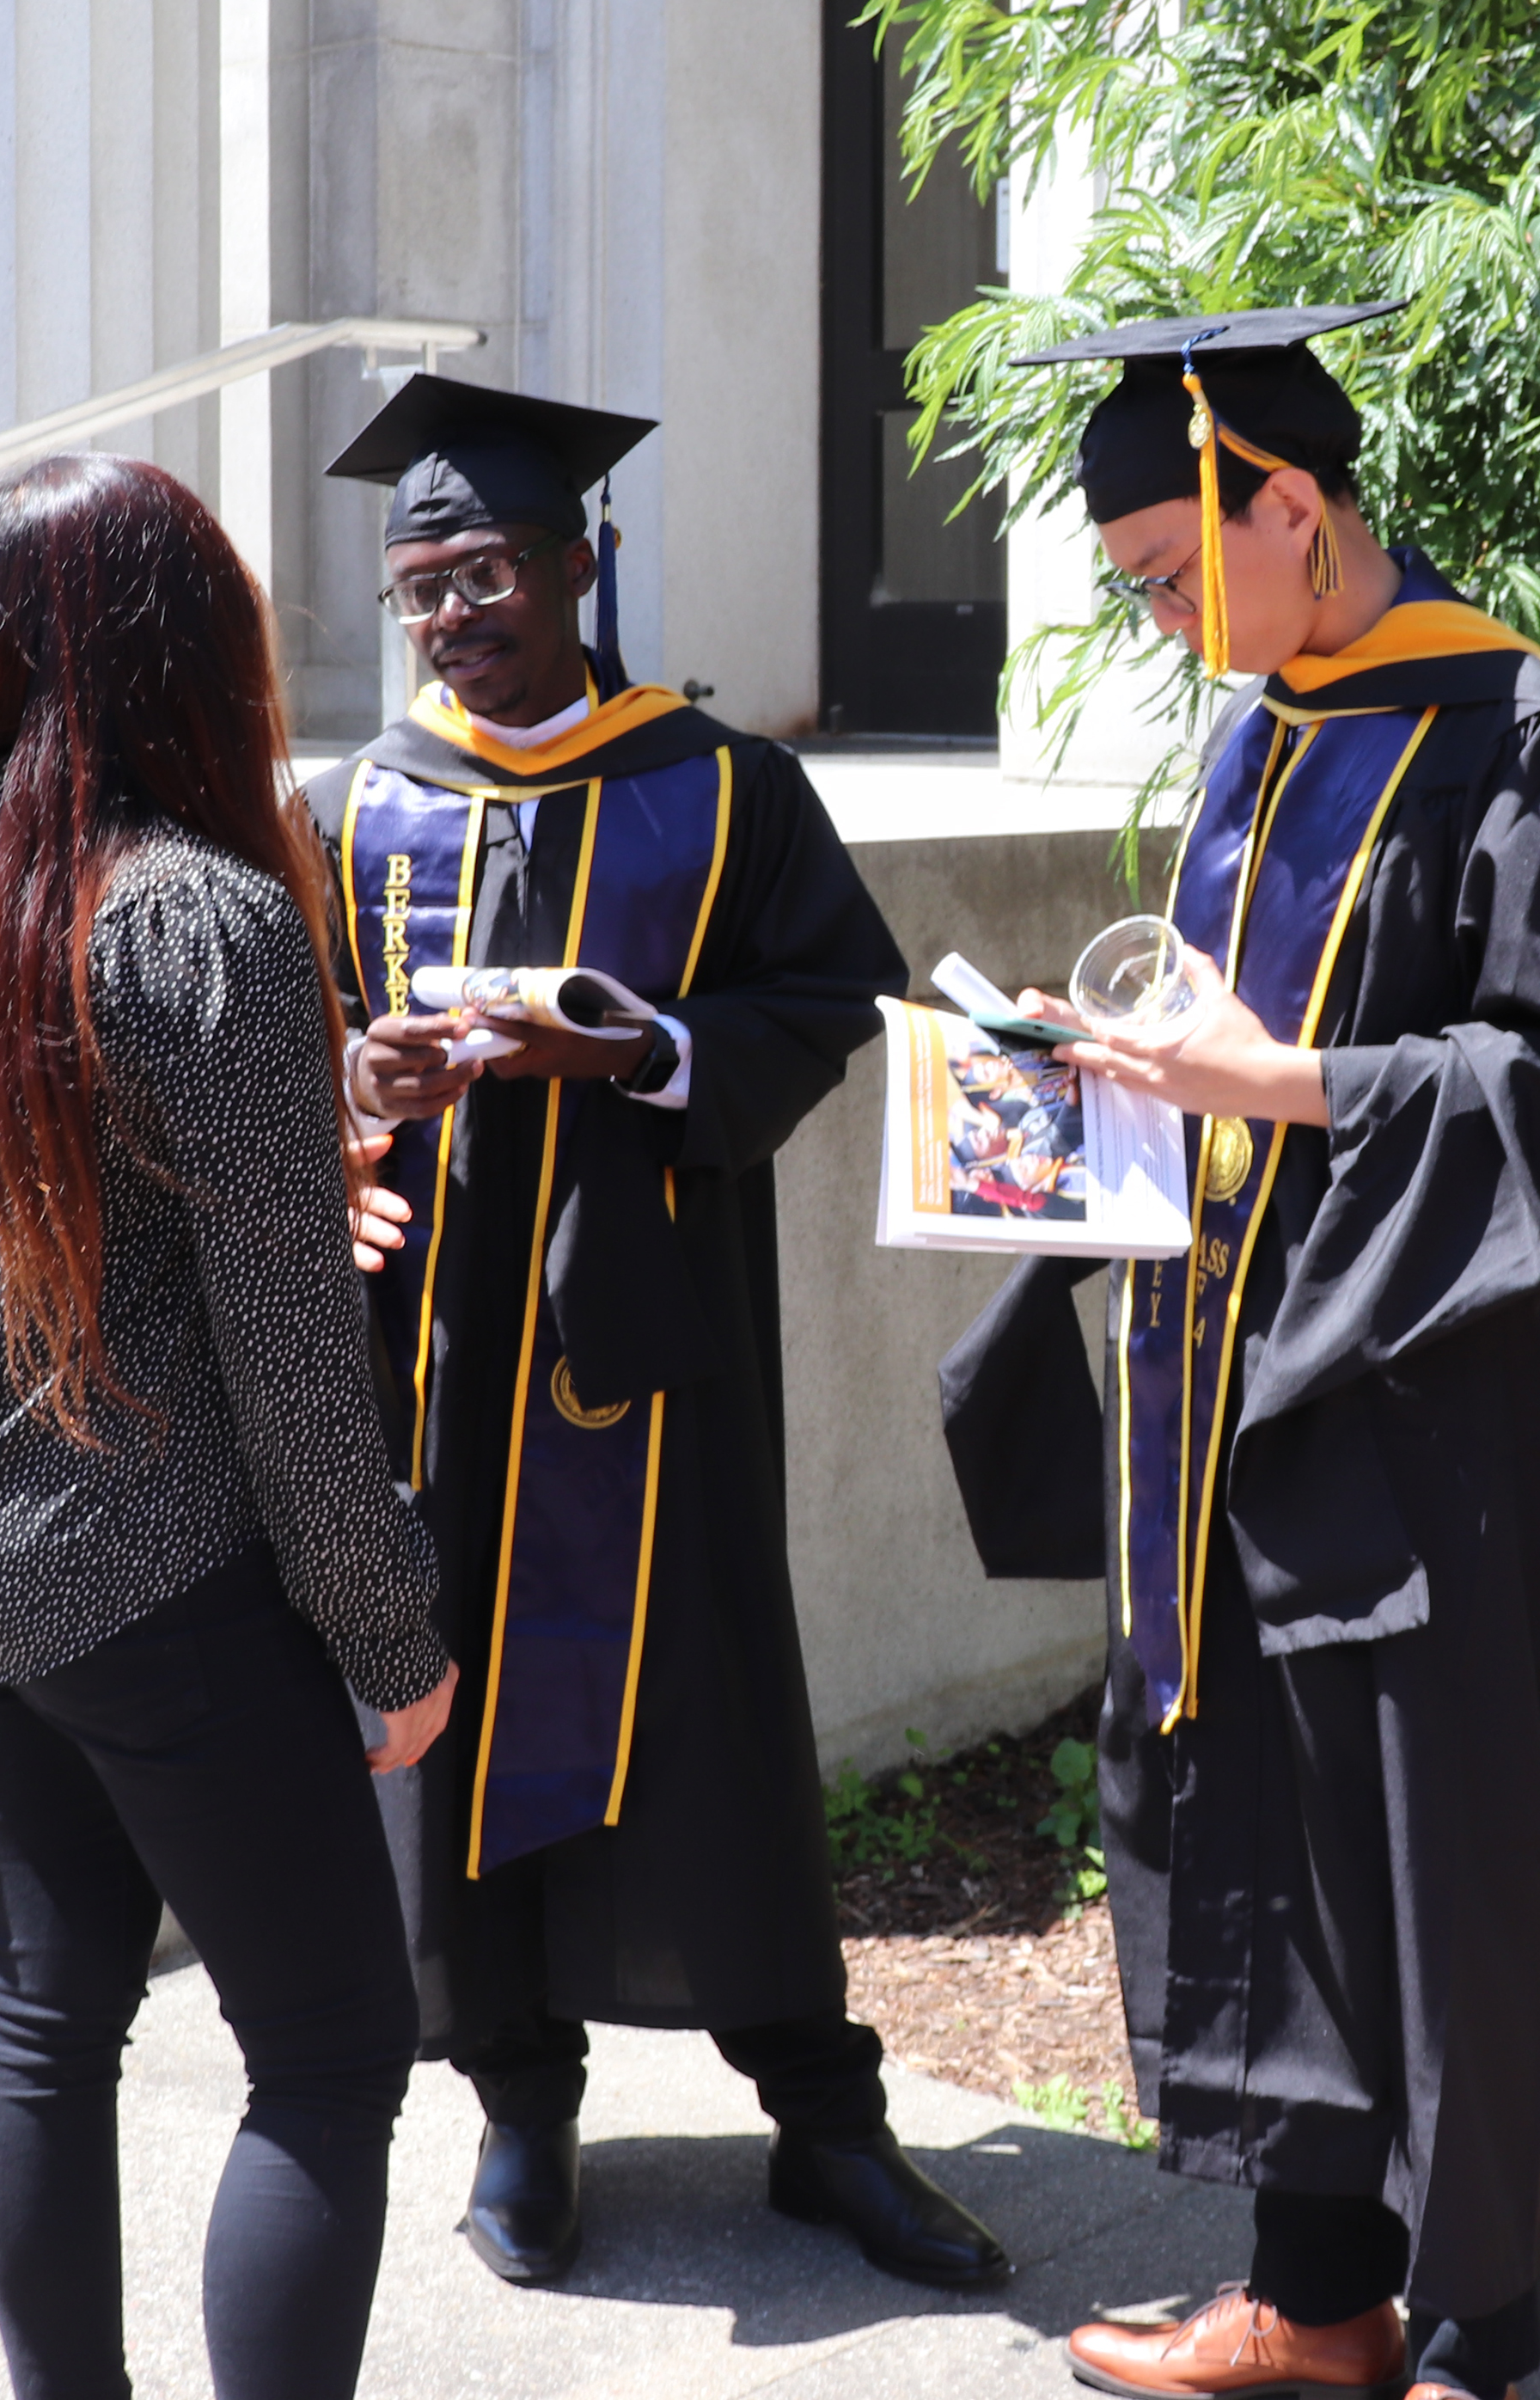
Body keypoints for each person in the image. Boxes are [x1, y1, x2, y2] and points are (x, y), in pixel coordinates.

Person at [939, 304, 1540, 2400]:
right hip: (1233, 1400)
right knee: (1259, 1822)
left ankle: (1463, 2333)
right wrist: (1067, 1100)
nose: (1169, 627)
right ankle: (1311, 2297)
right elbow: (1225, 1062)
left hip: (1433, 1412)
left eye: (1174, 575)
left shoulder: (1527, 741)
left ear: (1286, 503)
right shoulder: (1266, 730)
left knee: (1432, 1859)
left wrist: (1290, 1084)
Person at [304, 373, 1008, 2292]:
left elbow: (833, 999)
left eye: (487, 569)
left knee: (718, 1727)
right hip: (439, 1377)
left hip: (661, 1363)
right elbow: (295, 1065)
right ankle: (519, 2111)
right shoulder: (353, 804)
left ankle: (823, 2118)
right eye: (421, 582)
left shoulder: (719, 786)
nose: (453, 611)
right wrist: (358, 1074)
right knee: (451, 1743)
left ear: (578, 559)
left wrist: (637, 1045)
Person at [0, 453, 457, 2400]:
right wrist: (391, 1641)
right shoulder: (199, 917)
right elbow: (293, 1362)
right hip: (159, 1589)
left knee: (42, 2017)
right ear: (186, 646)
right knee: (331, 2046)